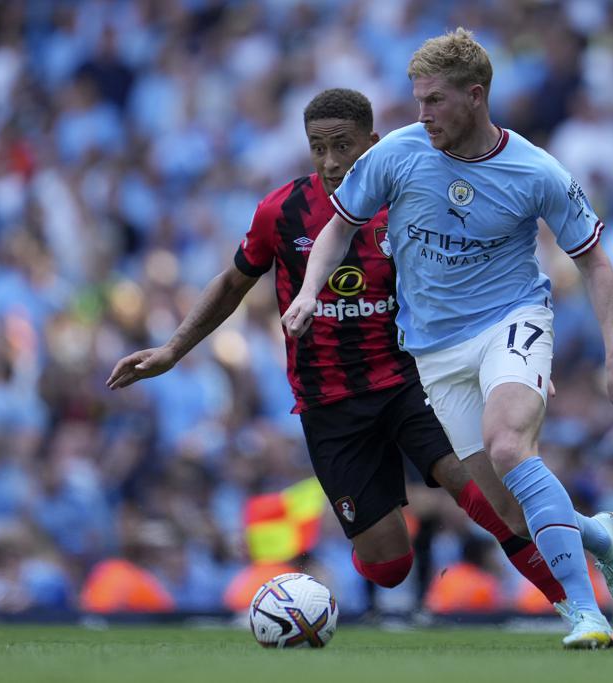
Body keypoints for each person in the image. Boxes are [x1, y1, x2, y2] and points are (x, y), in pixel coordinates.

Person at [108, 88, 574, 610]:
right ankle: (390, 523)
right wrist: (173, 349)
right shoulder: (281, 212)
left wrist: (520, 358)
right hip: (330, 403)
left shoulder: (412, 204)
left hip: (408, 382)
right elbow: (233, 283)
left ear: (372, 144)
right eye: (318, 148)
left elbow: (474, 283)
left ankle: (576, 606)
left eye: (343, 147)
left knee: (484, 496)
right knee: (389, 565)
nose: (331, 162)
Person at [282, 31, 613, 648]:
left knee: (508, 444)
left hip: (512, 320)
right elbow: (337, 229)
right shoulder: (398, 153)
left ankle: (589, 617)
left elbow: (596, 263)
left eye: (434, 101)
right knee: (507, 509)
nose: (421, 114)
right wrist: (308, 290)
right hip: (433, 349)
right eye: (418, 100)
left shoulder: (537, 171)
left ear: (475, 97)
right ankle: (599, 535)